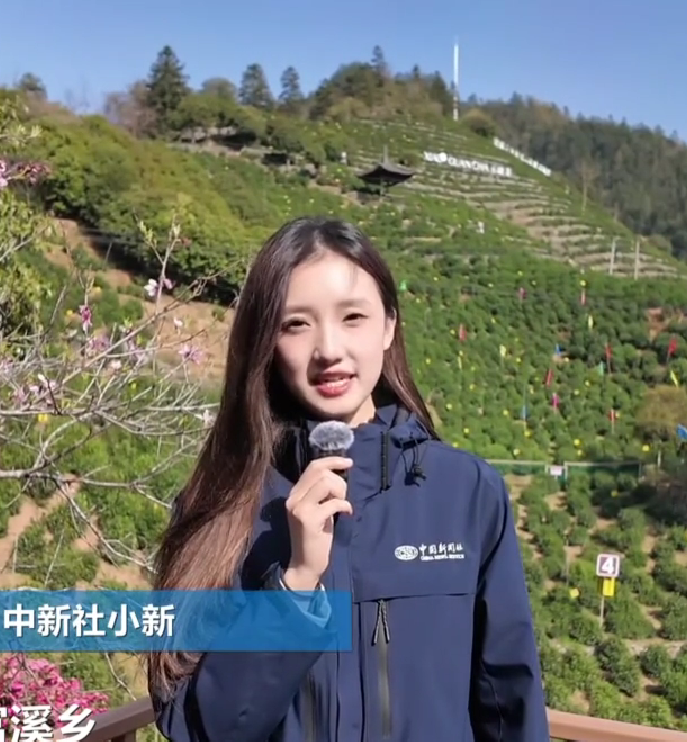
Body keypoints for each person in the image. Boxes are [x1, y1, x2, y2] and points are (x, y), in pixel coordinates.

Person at [148, 216, 548, 742]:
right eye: (296, 324)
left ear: (388, 326)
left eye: (353, 316)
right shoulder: (220, 505)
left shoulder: (467, 493)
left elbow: (510, 702)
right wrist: (295, 585)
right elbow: (195, 726)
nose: (329, 349)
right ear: (266, 343)